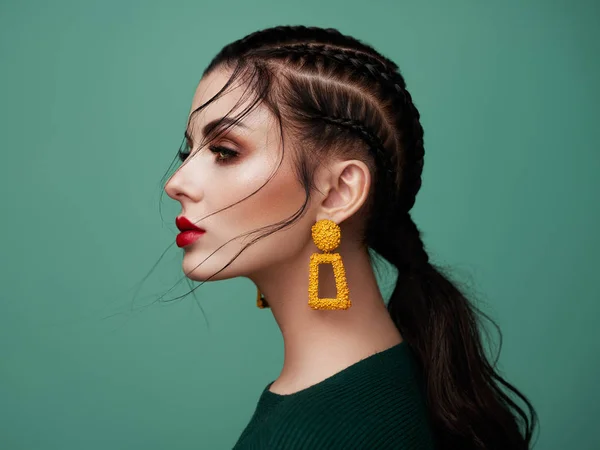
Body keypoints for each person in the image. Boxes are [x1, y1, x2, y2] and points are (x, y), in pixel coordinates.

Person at [164, 25, 538, 449]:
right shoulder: (404, 381)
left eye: (225, 151)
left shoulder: (311, 435)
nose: (176, 182)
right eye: (188, 152)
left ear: (340, 192)